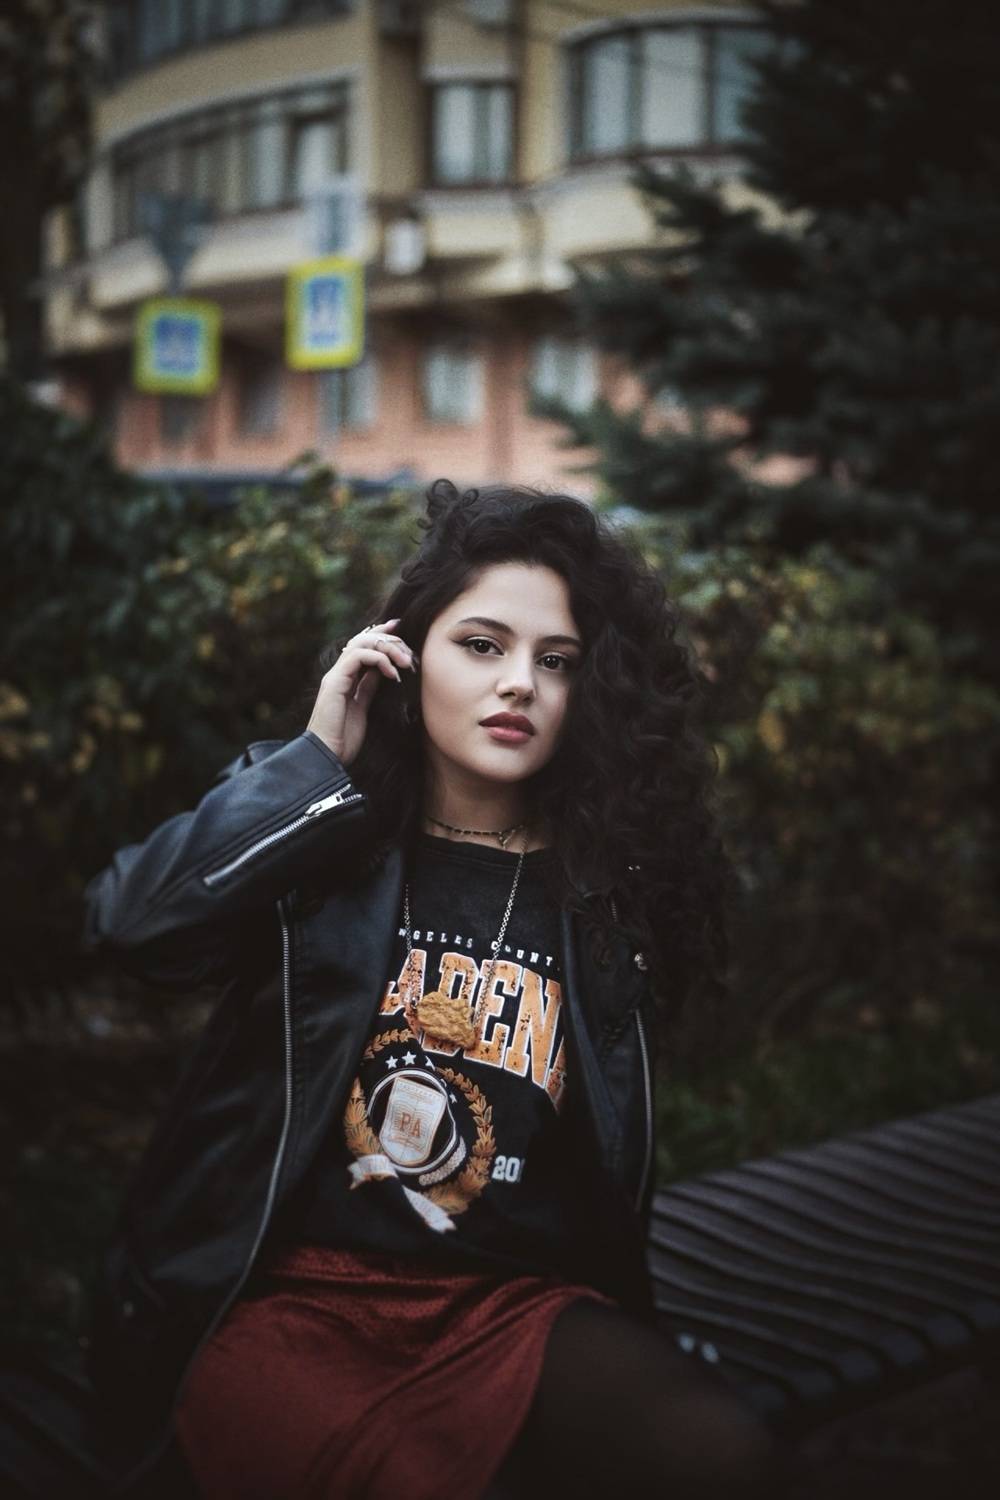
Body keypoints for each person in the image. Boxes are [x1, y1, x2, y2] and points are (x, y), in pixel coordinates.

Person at [82, 480, 784, 1499]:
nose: (520, 684)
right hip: (288, 1293)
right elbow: (130, 925)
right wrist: (313, 761)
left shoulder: (606, 886)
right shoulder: (323, 836)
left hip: (507, 1302)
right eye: (482, 645)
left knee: (724, 1452)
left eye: (557, 661)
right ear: (407, 657)